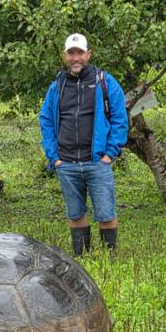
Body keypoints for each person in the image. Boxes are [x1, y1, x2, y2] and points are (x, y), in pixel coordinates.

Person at [39, 33, 128, 256]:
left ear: (88, 54)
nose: (75, 57)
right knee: (75, 214)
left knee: (106, 214)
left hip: (97, 161)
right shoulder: (56, 87)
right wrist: (54, 157)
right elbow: (46, 120)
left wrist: (110, 153)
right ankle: (82, 258)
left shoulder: (104, 82)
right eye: (71, 53)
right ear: (65, 56)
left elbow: (120, 118)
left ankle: (110, 258)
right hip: (66, 162)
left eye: (80, 52)